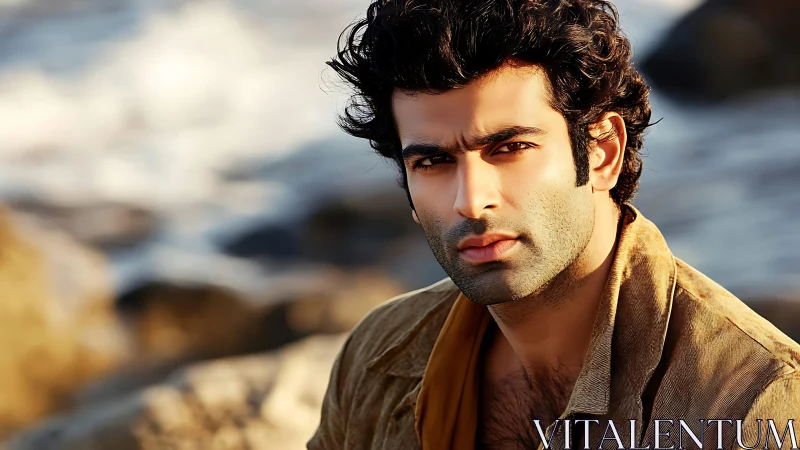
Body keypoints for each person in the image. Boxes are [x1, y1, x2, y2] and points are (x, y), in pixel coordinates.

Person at [308, 0, 800, 449]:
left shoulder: (750, 400)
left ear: (603, 153)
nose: (472, 202)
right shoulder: (377, 354)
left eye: (510, 148)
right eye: (433, 162)